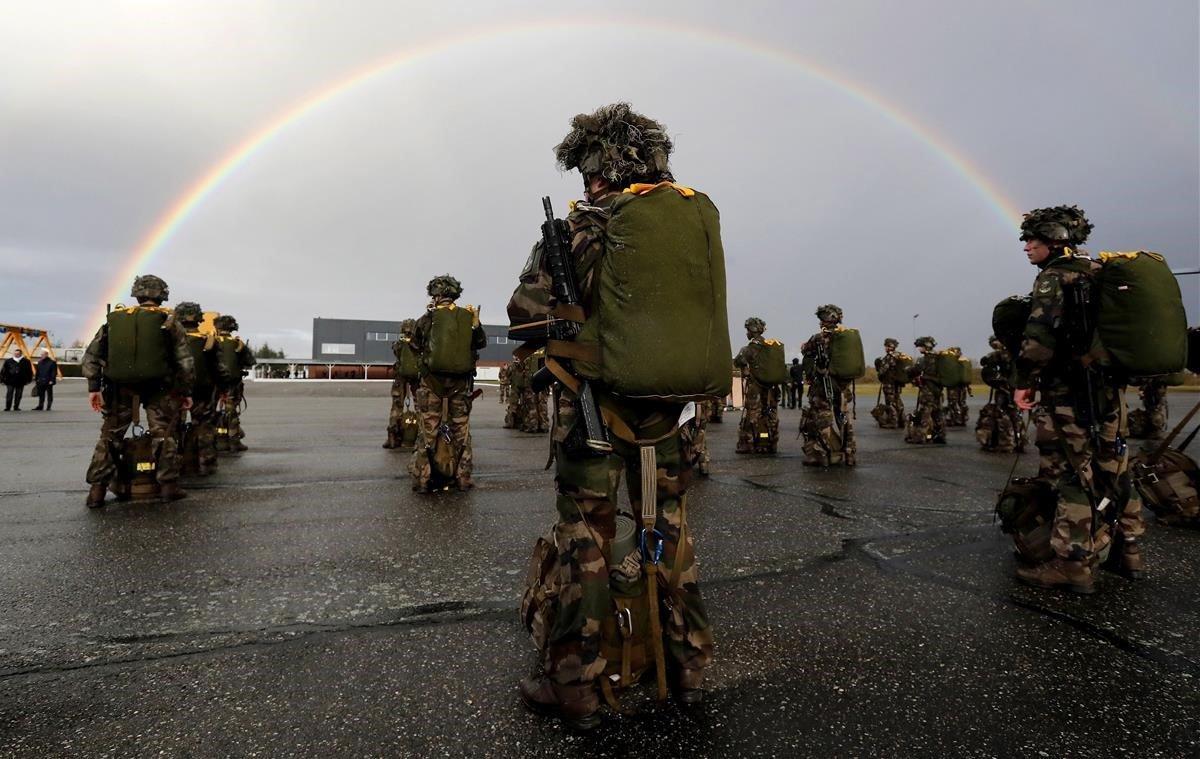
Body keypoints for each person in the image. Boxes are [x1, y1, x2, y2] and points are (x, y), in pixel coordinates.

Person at [512, 103, 721, 729]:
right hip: (668, 416)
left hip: (593, 414)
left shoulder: (587, 226)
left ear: (600, 167)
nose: (583, 179)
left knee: (587, 542)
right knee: (671, 533)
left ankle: (578, 688)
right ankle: (688, 669)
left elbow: (526, 311)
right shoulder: (689, 222)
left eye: (586, 167)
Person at [1011, 205, 1145, 593]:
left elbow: (1039, 338)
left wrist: (1026, 380)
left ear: (1053, 238)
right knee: (1115, 465)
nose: (1026, 247)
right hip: (1110, 392)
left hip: (1072, 391)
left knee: (1074, 470)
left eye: (1031, 239)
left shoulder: (1055, 277)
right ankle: (1128, 548)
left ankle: (1072, 564)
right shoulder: (1100, 274)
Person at [82, 275, 194, 506]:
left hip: (120, 386)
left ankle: (97, 491)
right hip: (160, 387)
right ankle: (168, 487)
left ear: (137, 293)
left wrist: (94, 387)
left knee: (110, 435)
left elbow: (91, 356)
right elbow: (185, 362)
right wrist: (185, 391)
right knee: (163, 433)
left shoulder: (115, 320)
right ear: (162, 294)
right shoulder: (169, 321)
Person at [409, 275, 487, 492]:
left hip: (431, 384)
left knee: (428, 430)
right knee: (461, 429)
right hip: (460, 385)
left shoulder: (427, 318)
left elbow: (414, 345)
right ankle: (463, 478)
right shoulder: (467, 316)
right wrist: (476, 323)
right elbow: (480, 342)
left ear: (436, 294)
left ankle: (424, 480)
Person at [799, 304, 856, 466]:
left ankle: (825, 452)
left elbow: (806, 350)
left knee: (822, 418)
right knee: (844, 419)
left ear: (824, 320)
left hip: (824, 386)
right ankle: (850, 454)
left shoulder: (818, 338)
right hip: (843, 387)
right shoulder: (845, 339)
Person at [175, 302, 224, 475]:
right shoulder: (209, 341)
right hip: (203, 391)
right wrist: (221, 390)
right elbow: (220, 368)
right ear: (199, 319)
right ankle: (206, 464)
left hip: (175, 392)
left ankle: (175, 464)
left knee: (174, 427)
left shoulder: (169, 340)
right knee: (204, 427)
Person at [733, 317, 782, 454]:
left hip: (755, 388)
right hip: (772, 389)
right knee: (770, 414)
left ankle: (749, 444)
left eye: (747, 330)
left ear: (752, 331)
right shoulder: (770, 347)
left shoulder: (750, 348)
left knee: (753, 414)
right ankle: (770, 443)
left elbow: (738, 361)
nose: (746, 333)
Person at [213, 315, 256, 453]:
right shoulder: (237, 343)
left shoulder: (211, 341)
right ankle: (234, 442)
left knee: (211, 412)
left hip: (213, 384)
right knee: (231, 413)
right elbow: (250, 362)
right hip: (232, 384)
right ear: (232, 328)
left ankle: (216, 440)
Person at [977, 336, 1024, 453]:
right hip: (1015, 388)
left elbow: (984, 361)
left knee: (1002, 414)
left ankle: (1006, 443)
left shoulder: (1003, 354)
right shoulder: (1016, 352)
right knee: (1016, 415)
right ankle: (1019, 441)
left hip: (1006, 389)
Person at [383, 319, 420, 449]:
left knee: (396, 406)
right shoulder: (419, 344)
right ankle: (421, 437)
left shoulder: (399, 344)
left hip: (400, 376)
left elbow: (396, 352)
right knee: (420, 406)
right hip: (417, 377)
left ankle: (392, 436)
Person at [905, 336, 946, 444]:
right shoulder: (939, 358)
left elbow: (915, 370)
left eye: (921, 347)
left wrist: (908, 369)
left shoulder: (924, 359)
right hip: (938, 390)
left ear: (926, 346)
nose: (919, 349)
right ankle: (940, 435)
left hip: (927, 391)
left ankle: (920, 436)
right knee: (937, 413)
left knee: (925, 413)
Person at [872, 338, 907, 429]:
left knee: (890, 403)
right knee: (898, 401)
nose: (885, 348)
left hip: (889, 384)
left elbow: (882, 371)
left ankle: (893, 422)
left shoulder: (889, 357)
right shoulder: (899, 356)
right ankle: (902, 421)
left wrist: (879, 368)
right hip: (897, 384)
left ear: (889, 347)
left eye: (886, 346)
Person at [943, 346, 970, 427]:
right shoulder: (964, 361)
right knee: (962, 402)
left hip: (953, 386)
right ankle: (962, 419)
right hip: (962, 386)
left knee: (952, 402)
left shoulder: (952, 362)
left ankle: (954, 419)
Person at [504, 354, 526, 430]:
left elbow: (507, 375)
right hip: (521, 388)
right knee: (520, 405)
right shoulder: (523, 364)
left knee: (513, 405)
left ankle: (511, 423)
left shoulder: (512, 366)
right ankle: (521, 422)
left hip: (516, 388)